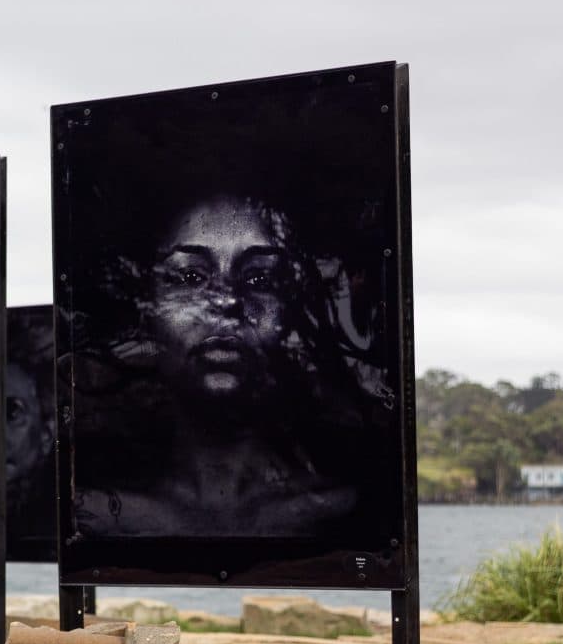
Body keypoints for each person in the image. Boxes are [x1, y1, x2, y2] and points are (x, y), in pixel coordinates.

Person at [75, 193, 359, 538]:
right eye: (190, 277)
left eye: (260, 279)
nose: (227, 301)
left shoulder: (344, 510)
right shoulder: (91, 512)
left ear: (292, 311)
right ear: (145, 308)